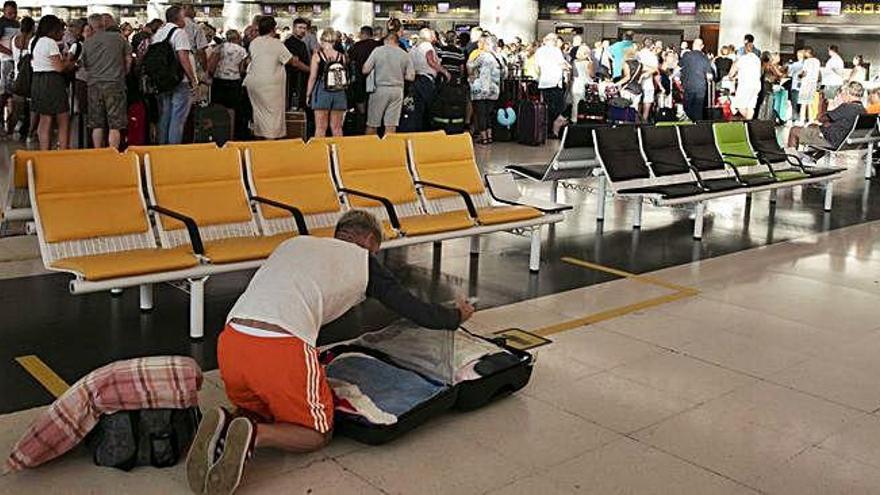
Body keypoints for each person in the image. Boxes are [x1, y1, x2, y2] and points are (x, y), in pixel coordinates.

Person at [187, 210, 475, 495]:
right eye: (375, 250)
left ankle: (228, 422)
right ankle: (254, 436)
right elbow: (418, 310)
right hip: (278, 346)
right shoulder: (363, 261)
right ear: (369, 240)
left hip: (232, 340)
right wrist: (456, 314)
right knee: (316, 433)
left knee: (260, 407)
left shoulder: (294, 243)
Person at [245, 16, 300, 140]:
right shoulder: (276, 43)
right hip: (270, 85)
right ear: (273, 29)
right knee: (273, 114)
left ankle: (259, 137)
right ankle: (270, 142)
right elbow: (291, 61)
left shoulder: (254, 42)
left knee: (259, 113)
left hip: (253, 82)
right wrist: (297, 60)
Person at [81, 13, 131, 149]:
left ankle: (98, 152)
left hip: (94, 85)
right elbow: (128, 61)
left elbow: (83, 65)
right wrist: (122, 74)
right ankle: (112, 152)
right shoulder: (120, 39)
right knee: (115, 124)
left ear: (91, 26)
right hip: (115, 84)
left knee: (97, 123)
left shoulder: (87, 42)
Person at [788, 81, 865, 162]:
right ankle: (810, 158)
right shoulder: (863, 110)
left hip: (832, 142)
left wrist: (821, 103)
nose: (842, 96)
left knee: (794, 130)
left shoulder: (846, 107)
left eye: (843, 93)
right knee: (813, 126)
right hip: (844, 142)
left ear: (848, 93)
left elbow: (820, 118)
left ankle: (792, 160)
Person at [151, 6, 196, 145]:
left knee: (165, 115)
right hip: (179, 80)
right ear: (178, 18)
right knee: (178, 118)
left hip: (163, 81)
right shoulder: (179, 33)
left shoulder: (159, 32)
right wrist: (192, 79)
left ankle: (162, 147)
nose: (185, 20)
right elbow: (183, 57)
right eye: (183, 17)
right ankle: (173, 149)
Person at [31, 14, 73, 150]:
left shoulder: (36, 41)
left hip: (38, 81)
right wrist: (70, 62)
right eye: (61, 30)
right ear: (53, 30)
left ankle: (45, 152)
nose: (62, 33)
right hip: (52, 81)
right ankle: (63, 151)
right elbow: (59, 67)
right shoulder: (50, 42)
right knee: (63, 117)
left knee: (45, 118)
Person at [362, 33, 414, 135]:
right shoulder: (404, 54)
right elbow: (410, 77)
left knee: (373, 123)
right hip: (397, 90)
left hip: (380, 89)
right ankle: (389, 148)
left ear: (386, 40)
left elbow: (365, 69)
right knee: (391, 125)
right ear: (397, 41)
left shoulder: (378, 51)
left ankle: (369, 147)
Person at [306, 28, 347, 137]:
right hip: (339, 92)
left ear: (322, 41)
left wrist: (308, 94)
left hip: (322, 91)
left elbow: (313, 77)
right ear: (334, 41)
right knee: (337, 128)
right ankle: (338, 152)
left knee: (320, 128)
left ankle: (320, 153)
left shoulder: (317, 56)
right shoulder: (342, 57)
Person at [207, 29, 248, 139]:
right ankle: (230, 136)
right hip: (234, 81)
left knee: (217, 109)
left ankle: (216, 135)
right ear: (237, 38)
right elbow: (242, 69)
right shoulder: (242, 50)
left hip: (219, 80)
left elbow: (211, 65)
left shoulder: (220, 47)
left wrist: (210, 75)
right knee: (231, 111)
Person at [408, 28, 449, 132]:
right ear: (429, 37)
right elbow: (430, 61)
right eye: (432, 35)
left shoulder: (414, 48)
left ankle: (417, 132)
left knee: (418, 110)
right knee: (430, 107)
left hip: (415, 79)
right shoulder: (427, 46)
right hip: (426, 80)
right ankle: (429, 132)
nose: (434, 37)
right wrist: (444, 72)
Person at [468, 34, 504, 145]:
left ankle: (483, 137)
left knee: (481, 113)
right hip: (494, 90)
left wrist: (471, 76)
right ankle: (489, 136)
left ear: (488, 44)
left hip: (481, 89)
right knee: (488, 114)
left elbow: (470, 65)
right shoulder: (500, 58)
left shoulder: (483, 56)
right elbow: (504, 73)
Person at [534, 33, 569, 136]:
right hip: (555, 82)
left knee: (547, 107)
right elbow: (562, 64)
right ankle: (556, 126)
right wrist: (568, 67)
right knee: (559, 107)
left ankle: (547, 130)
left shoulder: (539, 51)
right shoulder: (556, 50)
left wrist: (540, 77)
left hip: (544, 82)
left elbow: (537, 67)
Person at [347, 25, 381, 114]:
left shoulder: (357, 46)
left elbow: (349, 60)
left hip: (360, 77)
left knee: (360, 98)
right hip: (377, 77)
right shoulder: (378, 45)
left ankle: (362, 116)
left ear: (363, 34)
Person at [678, 38, 713, 122]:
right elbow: (709, 76)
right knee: (698, 109)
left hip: (688, 85)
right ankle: (698, 129)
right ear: (702, 46)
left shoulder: (686, 55)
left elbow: (678, 68)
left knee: (687, 107)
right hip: (700, 87)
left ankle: (688, 126)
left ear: (693, 45)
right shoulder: (705, 58)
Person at [9, 14, 31, 141]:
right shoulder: (32, 41)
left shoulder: (14, 39)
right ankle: (27, 131)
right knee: (30, 108)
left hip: (18, 77)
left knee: (17, 108)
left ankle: (9, 131)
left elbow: (13, 56)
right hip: (29, 78)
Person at [283, 18, 312, 110]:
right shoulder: (290, 42)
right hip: (294, 79)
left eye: (304, 28)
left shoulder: (301, 43)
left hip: (300, 79)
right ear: (294, 28)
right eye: (300, 27)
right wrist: (310, 70)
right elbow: (295, 62)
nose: (302, 30)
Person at [728, 43, 761, 120]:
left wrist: (731, 76)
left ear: (746, 49)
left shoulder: (742, 58)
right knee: (750, 106)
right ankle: (749, 124)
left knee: (740, 105)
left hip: (745, 85)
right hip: (756, 86)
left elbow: (732, 72)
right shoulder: (757, 60)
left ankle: (748, 121)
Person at [0, 1, 18, 135]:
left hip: (14, 61)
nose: (12, 15)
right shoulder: (1, 24)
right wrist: (10, 52)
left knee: (11, 93)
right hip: (4, 60)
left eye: (14, 12)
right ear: (4, 11)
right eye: (9, 12)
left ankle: (10, 124)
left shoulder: (17, 24)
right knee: (3, 93)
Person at [797, 46, 821, 124]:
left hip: (806, 83)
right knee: (810, 102)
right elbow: (818, 73)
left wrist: (799, 76)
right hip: (813, 84)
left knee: (803, 103)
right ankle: (811, 120)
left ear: (808, 52)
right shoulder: (817, 61)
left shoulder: (807, 61)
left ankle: (802, 120)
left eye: (805, 52)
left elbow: (804, 73)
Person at [637, 38, 659, 122]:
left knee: (638, 101)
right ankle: (644, 120)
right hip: (648, 81)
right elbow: (655, 69)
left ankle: (636, 120)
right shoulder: (652, 56)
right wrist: (649, 70)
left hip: (637, 81)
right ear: (652, 45)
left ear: (642, 44)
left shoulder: (638, 54)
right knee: (647, 101)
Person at [570, 45, 593, 122]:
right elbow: (591, 74)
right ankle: (583, 118)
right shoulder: (589, 63)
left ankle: (574, 119)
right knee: (585, 102)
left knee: (575, 103)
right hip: (586, 83)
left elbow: (571, 74)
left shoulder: (573, 62)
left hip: (576, 83)